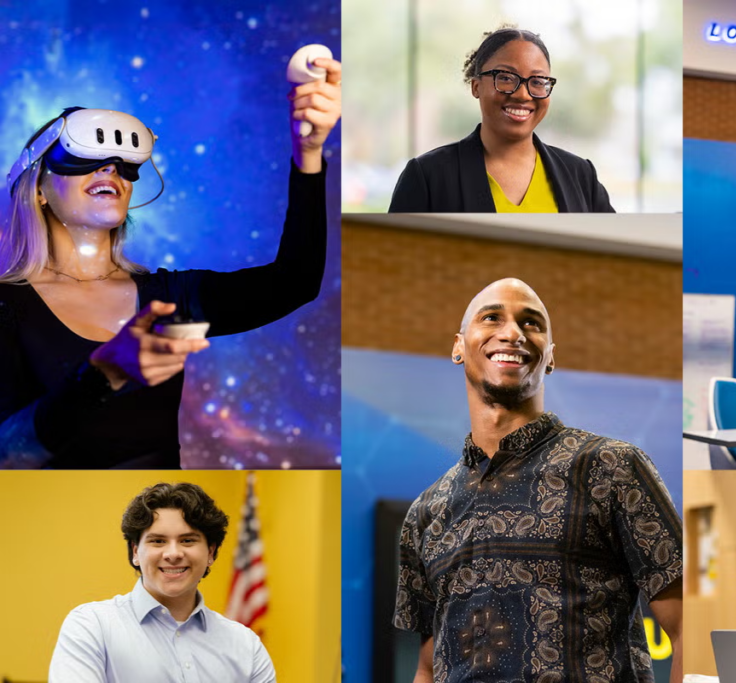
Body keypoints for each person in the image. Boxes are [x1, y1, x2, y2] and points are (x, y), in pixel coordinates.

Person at [0, 58, 341, 468]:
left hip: (156, 517)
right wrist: (101, 377)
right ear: (38, 189)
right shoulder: (7, 306)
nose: (110, 169)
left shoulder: (168, 301)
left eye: (125, 165)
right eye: (85, 158)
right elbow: (8, 452)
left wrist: (308, 154)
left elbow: (294, 283)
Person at [393, 278, 681, 682]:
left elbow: (691, 627)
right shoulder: (426, 512)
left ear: (550, 356)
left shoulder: (612, 467)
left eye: (531, 324)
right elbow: (427, 667)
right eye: (491, 317)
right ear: (459, 346)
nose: (512, 333)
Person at [49, 482, 275, 682]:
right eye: (158, 541)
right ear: (136, 552)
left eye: (187, 540)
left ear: (211, 553)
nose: (173, 553)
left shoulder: (246, 645)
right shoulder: (91, 626)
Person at [388, 26, 615, 213]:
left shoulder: (580, 175)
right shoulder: (428, 176)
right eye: (505, 77)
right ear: (476, 86)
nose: (523, 94)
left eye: (537, 81)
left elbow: (614, 260)